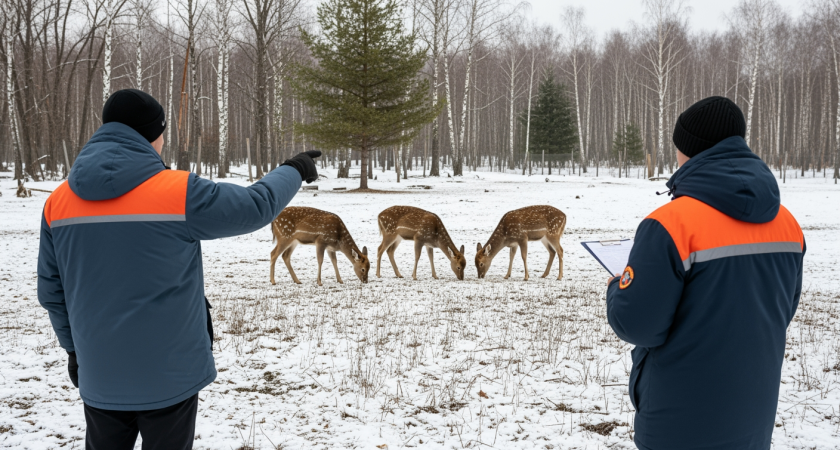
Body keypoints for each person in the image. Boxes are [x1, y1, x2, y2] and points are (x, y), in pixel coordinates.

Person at [37, 88, 320, 449]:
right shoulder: (178, 191)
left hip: (100, 374)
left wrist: (75, 351)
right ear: (155, 134)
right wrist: (293, 169)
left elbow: (51, 292)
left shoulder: (58, 203)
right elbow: (254, 207)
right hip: (171, 376)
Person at [606, 96, 805, 449]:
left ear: (688, 150)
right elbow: (780, 311)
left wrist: (616, 289)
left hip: (678, 423)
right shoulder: (788, 225)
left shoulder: (670, 224)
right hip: (752, 418)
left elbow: (637, 324)